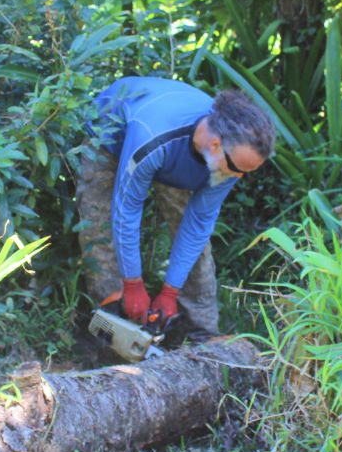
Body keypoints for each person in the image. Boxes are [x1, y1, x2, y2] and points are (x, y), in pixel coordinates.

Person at [77, 77, 275, 339]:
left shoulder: (229, 159)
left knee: (195, 240)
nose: (239, 178)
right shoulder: (152, 135)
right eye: (238, 170)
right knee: (99, 225)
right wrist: (132, 283)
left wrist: (170, 291)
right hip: (110, 138)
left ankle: (200, 333)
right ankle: (114, 324)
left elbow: (198, 225)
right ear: (216, 145)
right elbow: (127, 209)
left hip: (179, 153)